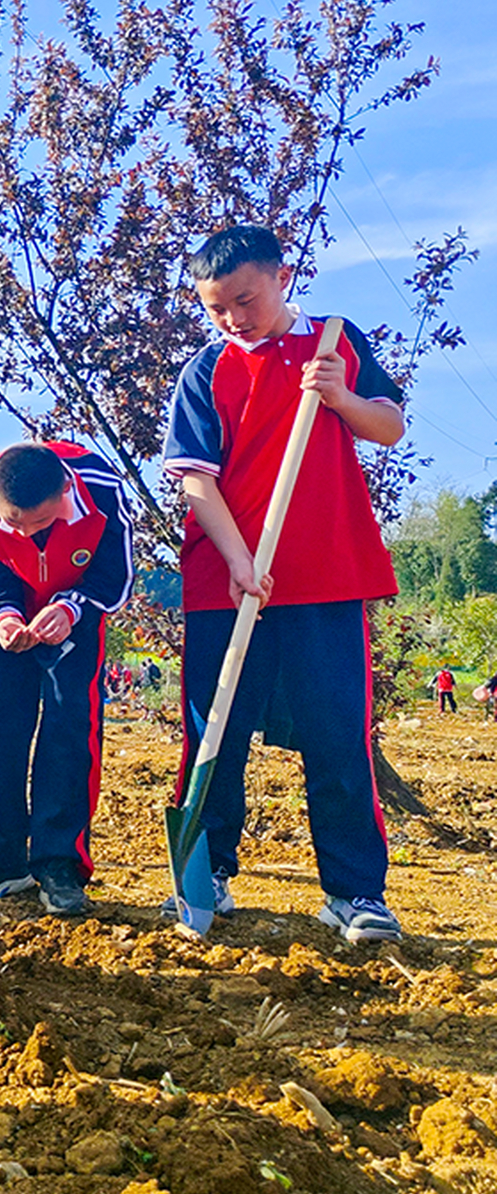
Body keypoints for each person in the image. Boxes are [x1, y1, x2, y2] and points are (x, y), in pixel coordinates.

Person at [162, 223, 406, 943]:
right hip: (226, 580)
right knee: (215, 732)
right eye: (217, 308)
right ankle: (208, 870)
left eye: (246, 298)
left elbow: (388, 426)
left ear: (282, 275)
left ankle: (355, 892)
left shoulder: (333, 340)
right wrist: (239, 560)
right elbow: (195, 482)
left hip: (326, 571)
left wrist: (340, 397)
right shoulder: (205, 371)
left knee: (337, 732)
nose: (235, 317)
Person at [0, 441, 133, 918]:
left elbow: (115, 576)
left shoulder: (104, 490)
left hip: (75, 608)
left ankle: (60, 863)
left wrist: (70, 606)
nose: (27, 534)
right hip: (2, 614)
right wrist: (6, 615)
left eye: (42, 524)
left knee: (69, 722)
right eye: (14, 523)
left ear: (64, 493)